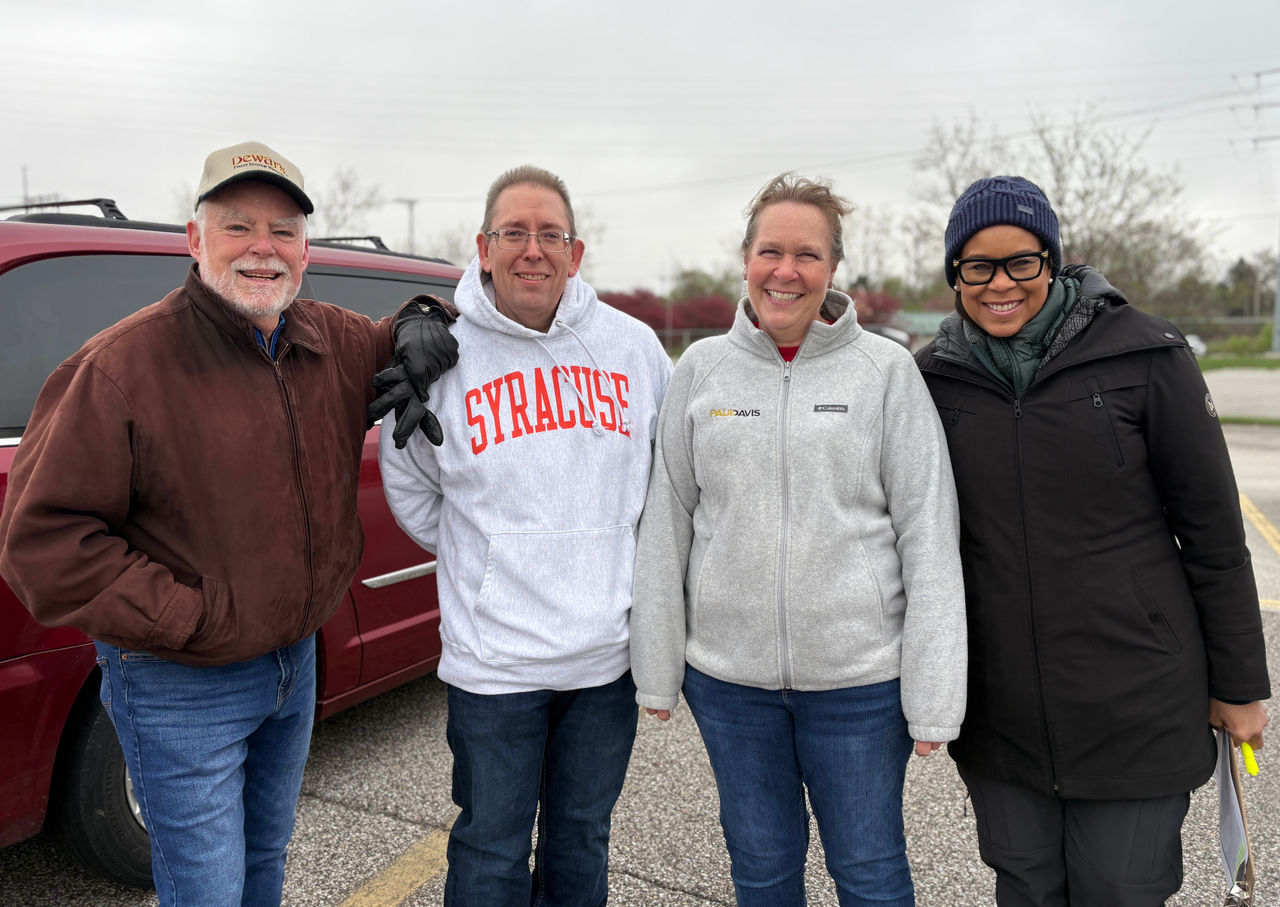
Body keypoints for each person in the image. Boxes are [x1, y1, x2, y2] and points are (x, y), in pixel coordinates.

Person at [0, 141, 458, 906]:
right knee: (206, 888)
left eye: (282, 231)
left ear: (306, 249)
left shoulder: (329, 340)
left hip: (294, 668)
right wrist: (192, 615)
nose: (262, 249)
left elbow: (424, 320)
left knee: (263, 863)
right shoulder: (121, 367)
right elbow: (42, 543)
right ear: (194, 239)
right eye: (238, 226)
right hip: (182, 681)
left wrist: (421, 317)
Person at [915, 175, 1271, 906]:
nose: (1000, 283)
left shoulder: (1147, 357)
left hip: (1136, 705)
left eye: (1022, 261)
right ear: (955, 274)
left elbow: (1212, 534)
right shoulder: (931, 379)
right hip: (1001, 711)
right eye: (977, 266)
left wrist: (1239, 685)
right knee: (1026, 888)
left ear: (1052, 259)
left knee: (1120, 889)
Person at [630, 172, 967, 906]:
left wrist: (934, 693)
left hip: (860, 685)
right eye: (771, 251)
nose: (787, 271)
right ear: (745, 259)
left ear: (833, 268)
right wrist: (656, 667)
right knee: (760, 870)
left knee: (871, 873)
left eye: (807, 254)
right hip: (730, 687)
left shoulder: (886, 372)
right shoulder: (701, 372)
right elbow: (667, 523)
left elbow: (929, 533)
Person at [377, 164, 672, 906]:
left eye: (550, 235)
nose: (532, 249)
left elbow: (668, 479)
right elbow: (411, 484)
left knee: (581, 840)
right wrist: (487, 559)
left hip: (606, 661)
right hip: (493, 666)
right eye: (514, 233)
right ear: (483, 247)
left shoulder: (635, 351)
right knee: (490, 849)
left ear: (576, 254)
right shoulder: (441, 356)